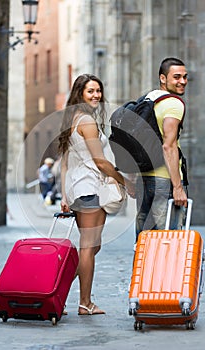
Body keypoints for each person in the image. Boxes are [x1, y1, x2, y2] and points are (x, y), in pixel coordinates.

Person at [58, 74, 134, 315]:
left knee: (92, 247)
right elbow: (101, 162)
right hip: (90, 189)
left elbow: (65, 163)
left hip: (80, 189)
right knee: (89, 247)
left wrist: (64, 194)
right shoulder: (87, 122)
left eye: (98, 91)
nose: (96, 96)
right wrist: (125, 181)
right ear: (80, 93)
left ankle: (57, 290)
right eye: (90, 91)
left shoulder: (73, 119)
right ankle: (84, 303)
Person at [135, 57, 188, 243]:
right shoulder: (174, 104)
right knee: (168, 240)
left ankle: (142, 272)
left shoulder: (148, 99)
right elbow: (169, 145)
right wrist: (178, 187)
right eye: (176, 77)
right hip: (165, 181)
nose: (182, 81)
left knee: (144, 240)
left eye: (184, 77)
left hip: (144, 179)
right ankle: (164, 273)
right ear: (163, 78)